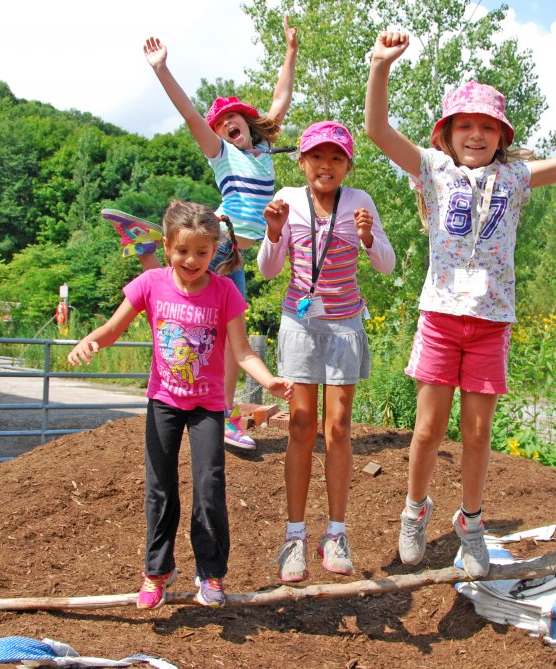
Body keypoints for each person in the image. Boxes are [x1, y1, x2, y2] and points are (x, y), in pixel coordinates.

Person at [364, 30, 556, 578]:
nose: (475, 135)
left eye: (486, 127)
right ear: (449, 133)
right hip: (440, 318)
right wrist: (381, 66)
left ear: (501, 136)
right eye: (465, 125)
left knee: (478, 433)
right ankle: (415, 509)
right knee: (429, 430)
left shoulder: (517, 177)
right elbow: (377, 130)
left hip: (490, 324)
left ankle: (471, 522)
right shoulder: (433, 170)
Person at [69, 201, 294, 608]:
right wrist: (91, 341)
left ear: (215, 252)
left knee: (209, 488)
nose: (192, 261)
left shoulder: (224, 291)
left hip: (208, 406)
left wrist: (269, 381)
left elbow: (242, 352)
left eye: (203, 253)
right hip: (164, 403)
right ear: (168, 246)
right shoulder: (151, 283)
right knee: (160, 490)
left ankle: (211, 574)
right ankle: (157, 571)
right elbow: (113, 328)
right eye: (183, 251)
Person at [110, 16, 299, 451]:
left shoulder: (264, 149)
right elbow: (189, 112)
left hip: (235, 252)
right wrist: (161, 69)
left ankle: (225, 413)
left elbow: (281, 98)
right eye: (221, 123)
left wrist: (290, 52)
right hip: (222, 237)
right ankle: (145, 248)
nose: (227, 124)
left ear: (248, 124)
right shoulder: (222, 154)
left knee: (234, 328)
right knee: (176, 299)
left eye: (234, 118)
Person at [259, 121, 395, 581]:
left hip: (342, 326)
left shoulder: (360, 203)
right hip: (300, 324)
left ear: (348, 166)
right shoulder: (288, 200)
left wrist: (369, 237)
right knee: (300, 426)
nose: (326, 165)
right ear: (302, 162)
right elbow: (266, 269)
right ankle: (293, 537)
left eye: (337, 158)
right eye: (318, 156)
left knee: (338, 428)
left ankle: (335, 532)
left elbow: (387, 264)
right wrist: (274, 233)